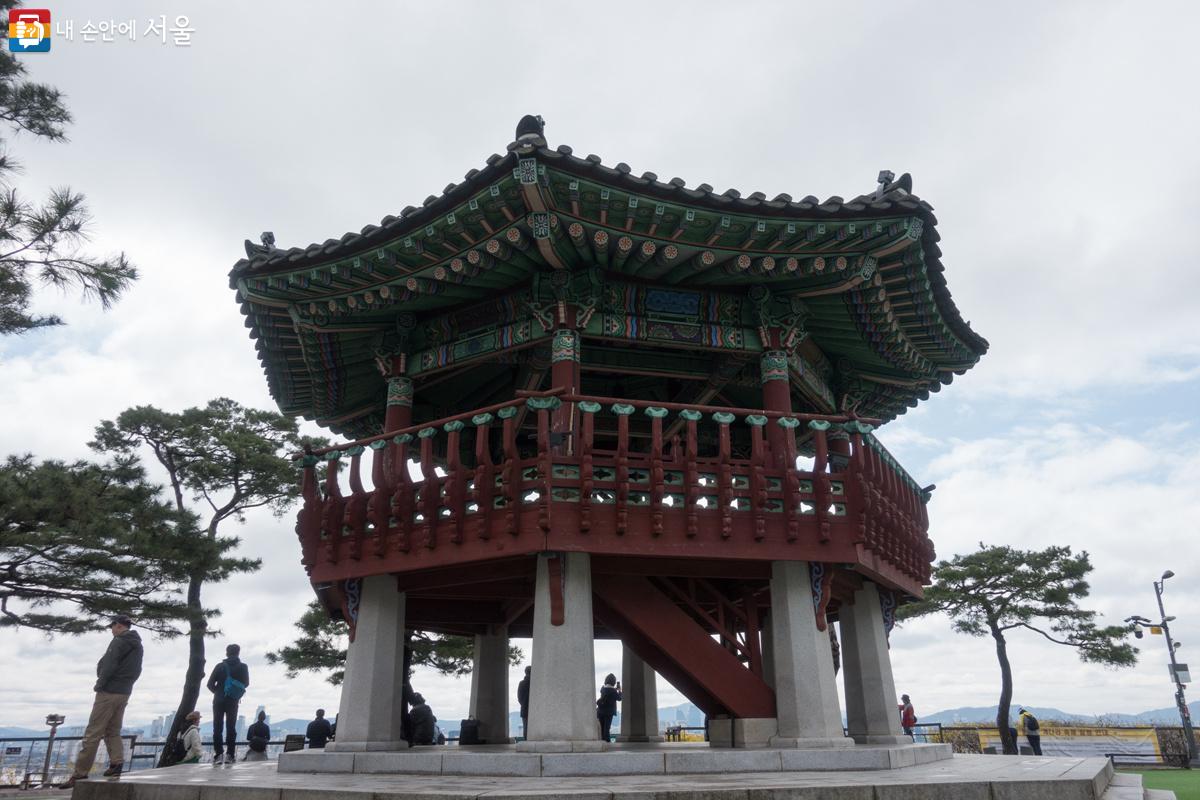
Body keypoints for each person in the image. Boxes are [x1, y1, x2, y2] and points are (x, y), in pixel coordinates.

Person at [61, 614, 144, 788]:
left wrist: (100, 684)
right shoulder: (138, 645)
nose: (111, 630)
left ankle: (79, 773)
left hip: (109, 691)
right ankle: (116, 764)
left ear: (119, 626)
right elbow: (137, 670)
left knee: (93, 733)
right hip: (125, 692)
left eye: (112, 626)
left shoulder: (119, 641)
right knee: (113, 730)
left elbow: (109, 664)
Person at [206, 643, 250, 764]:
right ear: (238, 653)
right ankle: (230, 755)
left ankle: (218, 754)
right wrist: (233, 690)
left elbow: (209, 684)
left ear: (227, 652)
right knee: (231, 728)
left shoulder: (219, 666)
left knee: (217, 727)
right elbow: (246, 683)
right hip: (233, 701)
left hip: (218, 700)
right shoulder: (243, 667)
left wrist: (219, 692)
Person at [596, 673, 622, 742]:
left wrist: (615, 689)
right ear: (613, 681)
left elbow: (607, 692)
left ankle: (602, 742)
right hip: (608, 712)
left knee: (602, 728)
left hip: (600, 711)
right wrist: (619, 690)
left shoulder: (602, 688)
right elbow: (619, 698)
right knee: (607, 728)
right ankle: (607, 742)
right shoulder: (613, 691)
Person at [517, 666, 531, 737]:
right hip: (535, 709)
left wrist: (524, 704)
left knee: (525, 727)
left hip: (524, 708)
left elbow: (519, 698)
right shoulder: (535, 683)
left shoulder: (521, 683)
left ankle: (526, 742)